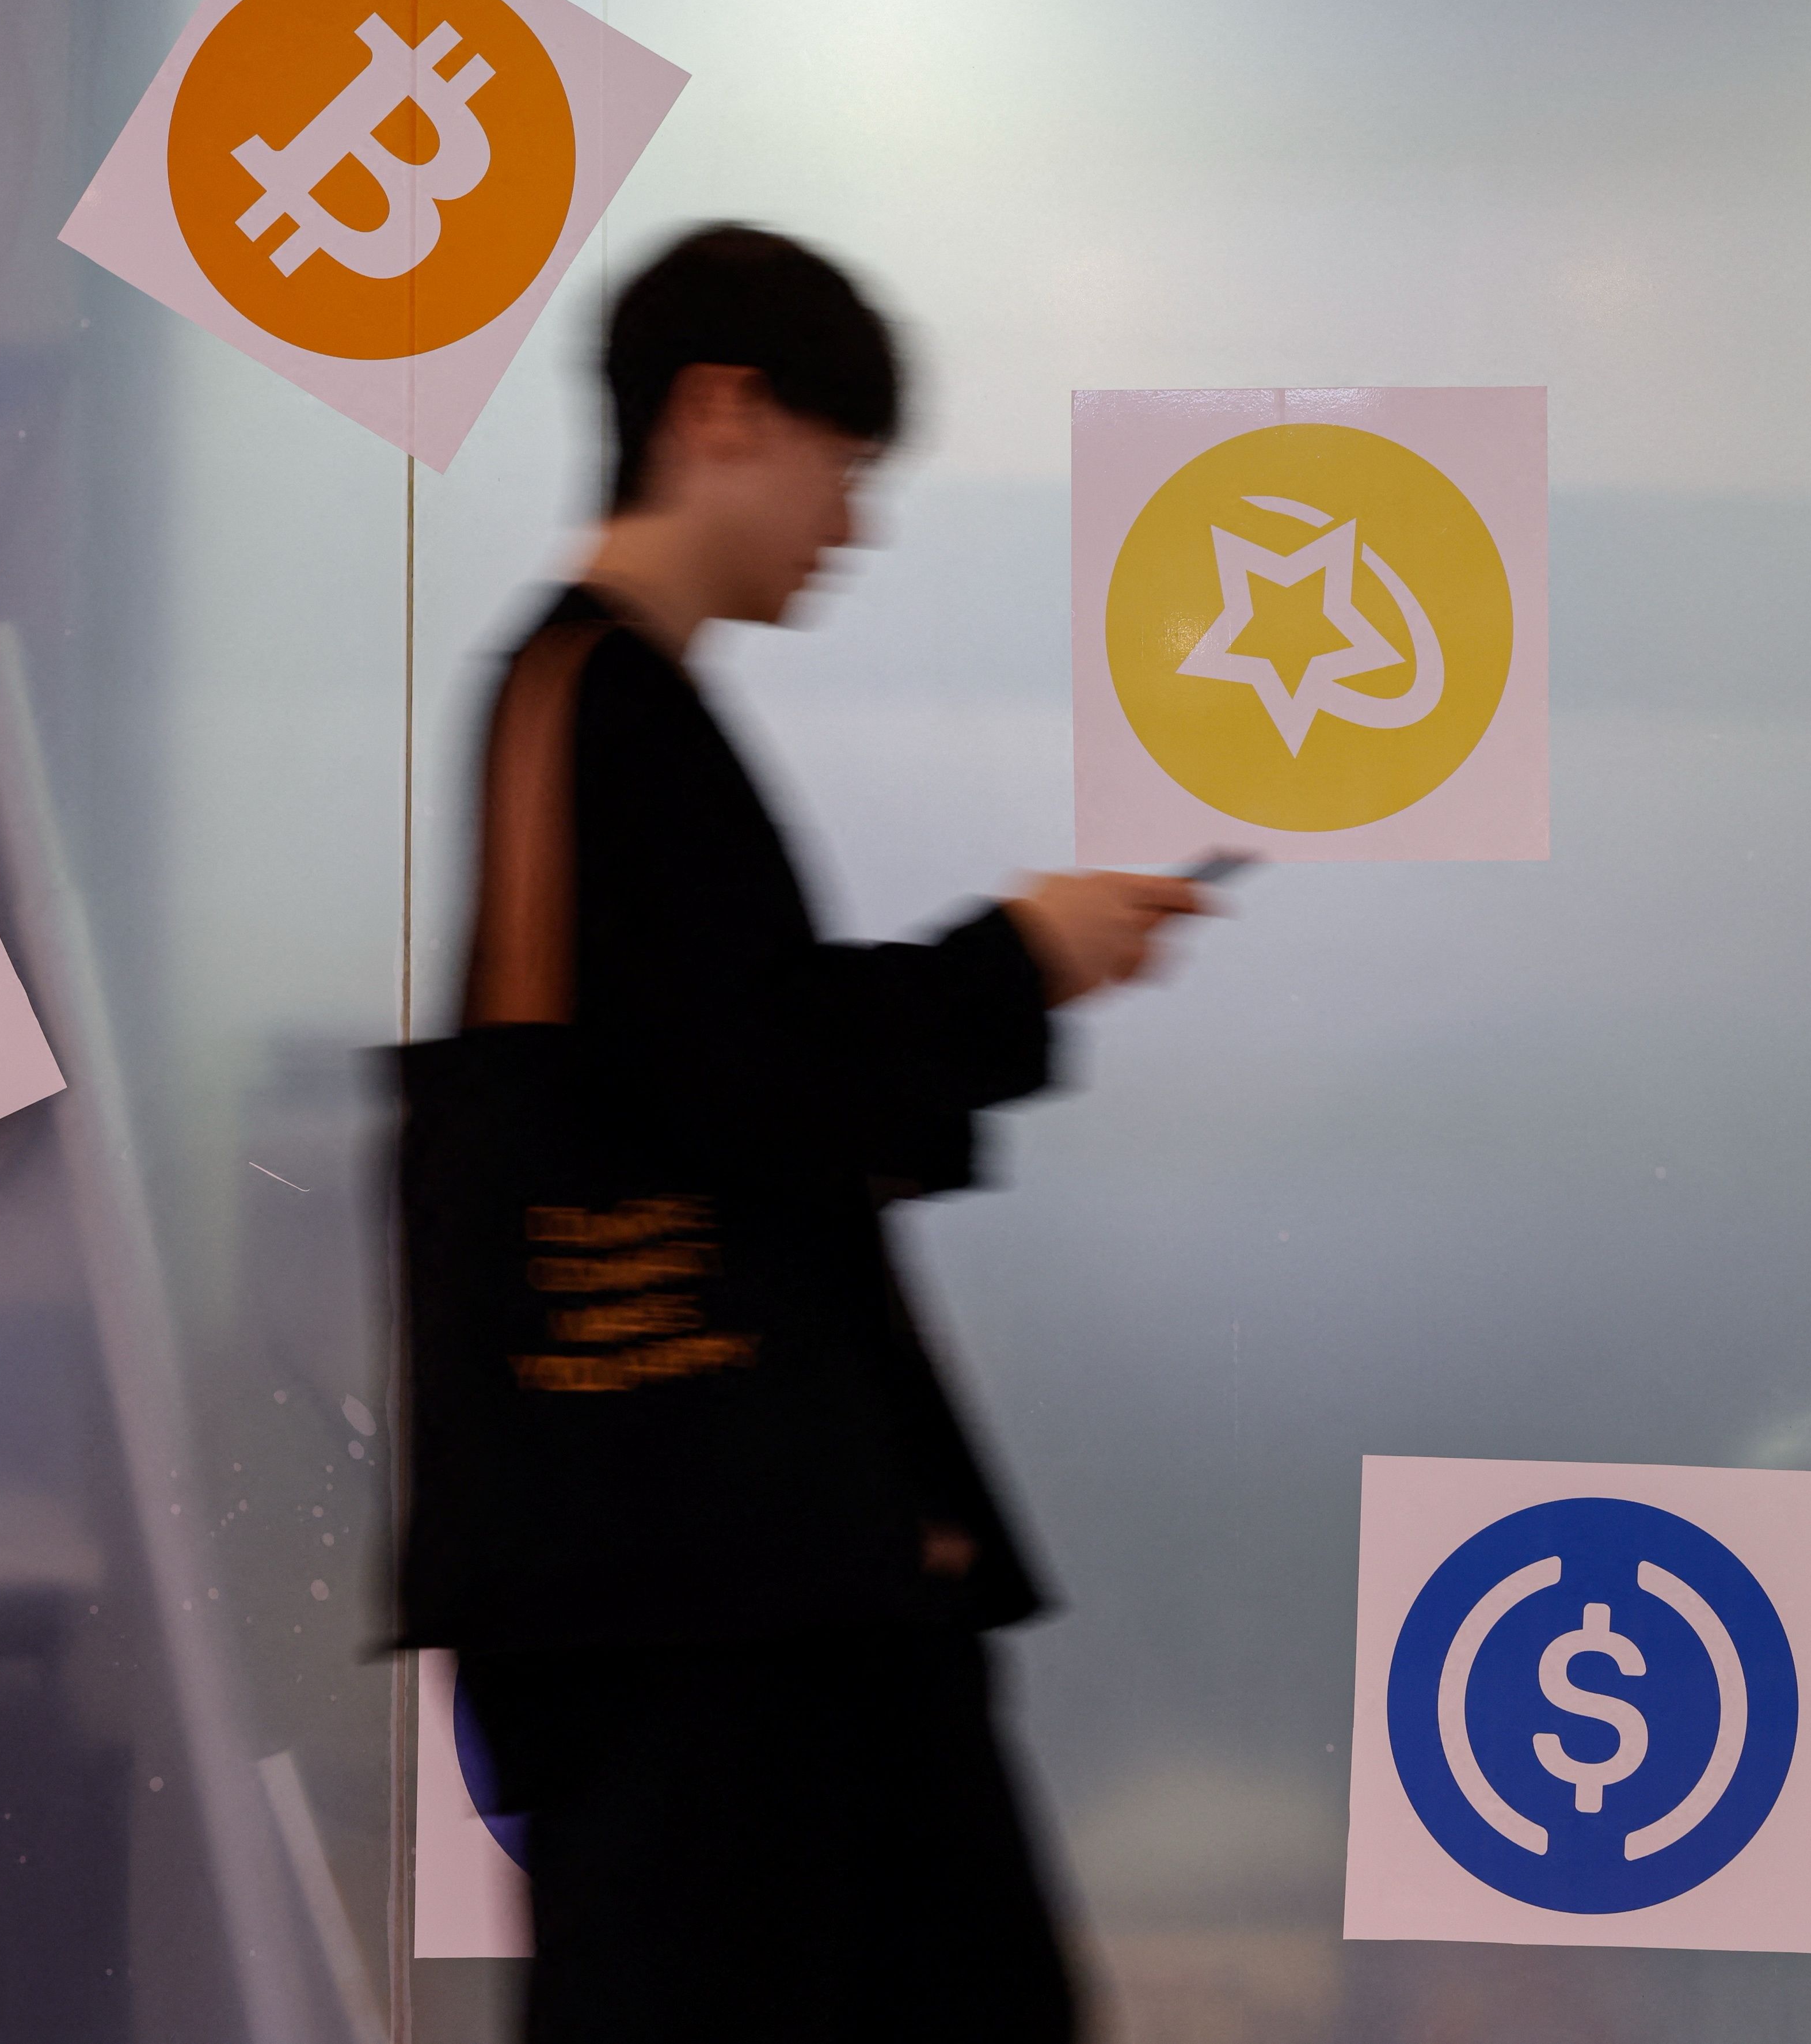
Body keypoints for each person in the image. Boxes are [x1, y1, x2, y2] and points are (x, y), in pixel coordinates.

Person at [401, 223, 1211, 2042]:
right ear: (724, 414)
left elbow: (696, 1072)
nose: (854, 524)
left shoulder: (591, 701)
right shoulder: (601, 701)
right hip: (708, 1588)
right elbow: (743, 1074)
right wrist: (1023, 962)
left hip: (704, 1577)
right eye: (847, 462)